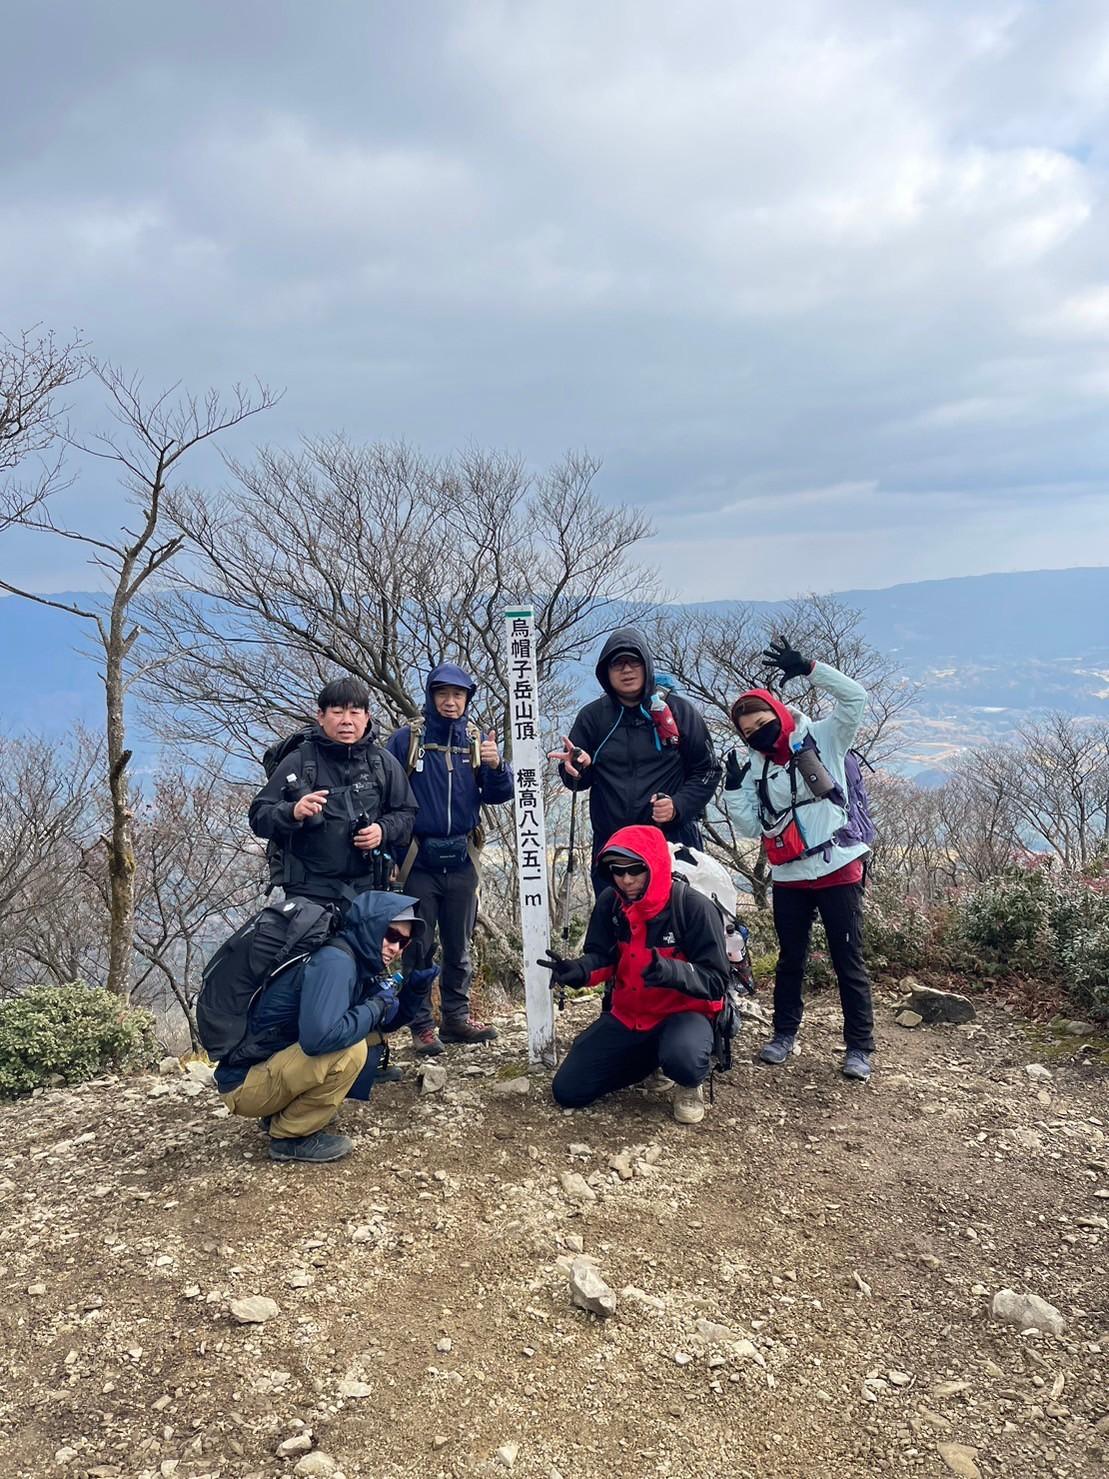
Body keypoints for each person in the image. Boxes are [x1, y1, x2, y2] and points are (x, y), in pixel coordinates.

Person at [725, 637, 876, 1081]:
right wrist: (734, 791)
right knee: (791, 958)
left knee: (847, 957)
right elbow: (753, 826)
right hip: (788, 873)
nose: (757, 733)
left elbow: (856, 698)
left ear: (780, 712)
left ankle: (859, 1047)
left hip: (837, 866)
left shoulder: (825, 738)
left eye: (763, 722)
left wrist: (810, 668)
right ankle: (784, 1034)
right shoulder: (758, 766)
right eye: (748, 731)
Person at [214, 893, 439, 1163]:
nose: (396, 948)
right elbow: (319, 1039)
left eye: (404, 942)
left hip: (259, 1072)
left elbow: (383, 1024)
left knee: (367, 1036)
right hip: (245, 1086)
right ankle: (290, 1136)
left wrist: (414, 991)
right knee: (350, 1049)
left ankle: (284, 1114)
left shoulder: (357, 962)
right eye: (391, 935)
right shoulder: (336, 963)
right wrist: (376, 1006)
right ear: (371, 925)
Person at [542, 825, 729, 1124]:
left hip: (684, 1015)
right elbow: (604, 958)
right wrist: (578, 971)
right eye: (617, 871)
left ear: (654, 865)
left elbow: (717, 981)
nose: (625, 879)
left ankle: (688, 1081)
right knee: (568, 1090)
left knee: (683, 1056)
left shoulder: (693, 908)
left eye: (635, 870)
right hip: (631, 1016)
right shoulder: (611, 903)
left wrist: (671, 971)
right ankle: (650, 1060)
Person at [386, 662, 514, 1053]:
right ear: (431, 696)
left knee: (459, 944)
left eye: (458, 695)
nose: (450, 701)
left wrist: (495, 767)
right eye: (443, 694)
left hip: (462, 857)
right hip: (417, 860)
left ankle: (456, 1019)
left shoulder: (475, 742)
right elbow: (386, 791)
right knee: (419, 945)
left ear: (467, 699)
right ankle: (421, 1023)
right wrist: (390, 853)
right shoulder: (408, 738)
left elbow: (498, 794)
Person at [548, 628, 722, 895]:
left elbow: (708, 769)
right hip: (614, 850)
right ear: (605, 671)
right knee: (617, 929)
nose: (626, 670)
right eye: (617, 663)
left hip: (672, 843)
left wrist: (679, 805)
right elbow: (574, 777)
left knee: (676, 927)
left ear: (647, 666)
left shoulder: (677, 711)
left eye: (634, 661)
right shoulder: (593, 717)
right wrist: (577, 768)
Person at [248, 676, 418, 906]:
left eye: (355, 712)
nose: (346, 721)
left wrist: (382, 830)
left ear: (367, 716)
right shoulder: (300, 761)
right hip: (308, 894)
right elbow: (259, 816)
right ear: (321, 716)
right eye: (337, 712)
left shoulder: (381, 762)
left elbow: (407, 814)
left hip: (368, 891)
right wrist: (293, 812)